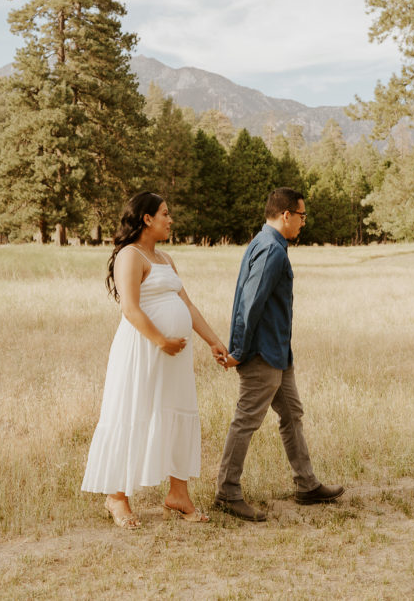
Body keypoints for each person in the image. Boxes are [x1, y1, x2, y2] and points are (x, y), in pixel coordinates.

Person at [82, 192, 229, 529]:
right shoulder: (129, 256)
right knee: (132, 412)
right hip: (143, 350)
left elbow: (187, 306)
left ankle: (178, 494)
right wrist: (161, 340)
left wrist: (213, 341)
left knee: (178, 411)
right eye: (165, 213)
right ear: (146, 218)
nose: (170, 219)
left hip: (174, 356)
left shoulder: (164, 257)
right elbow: (130, 308)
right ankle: (117, 497)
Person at [214, 188, 343, 521]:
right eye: (302, 216)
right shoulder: (272, 250)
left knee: (292, 414)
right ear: (285, 214)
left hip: (278, 353)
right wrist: (239, 351)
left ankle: (306, 485)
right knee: (246, 420)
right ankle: (227, 492)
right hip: (261, 353)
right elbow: (250, 302)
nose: (303, 223)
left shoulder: (265, 243)